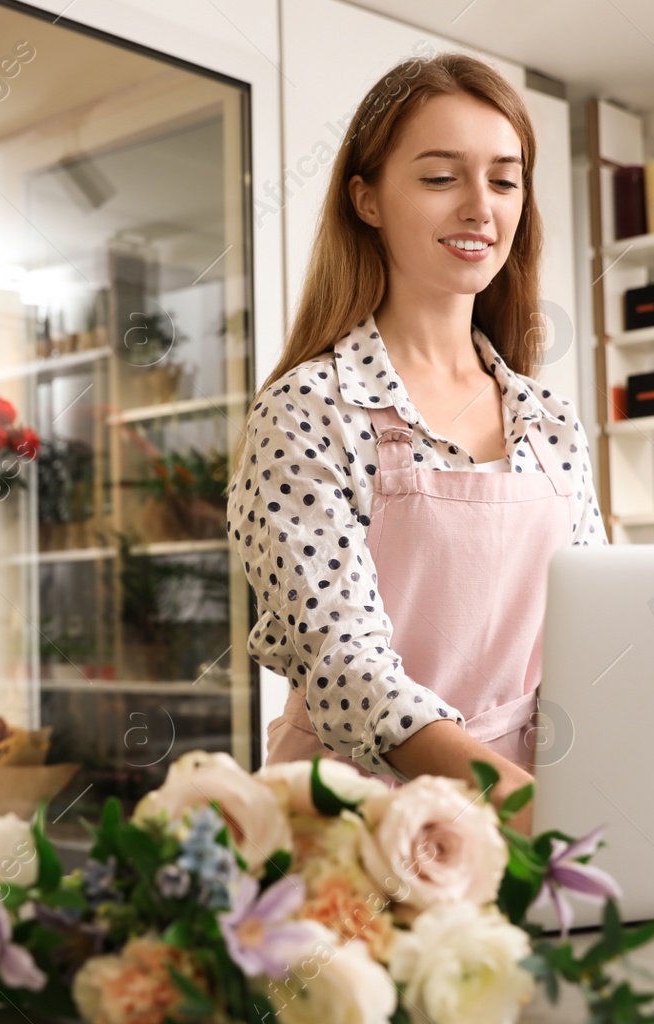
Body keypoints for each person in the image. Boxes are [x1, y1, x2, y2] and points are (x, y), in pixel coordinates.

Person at [227, 52, 607, 834]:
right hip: (351, 823)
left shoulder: (551, 423)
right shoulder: (307, 411)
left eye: (504, 180)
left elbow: (603, 632)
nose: (480, 208)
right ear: (366, 199)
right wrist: (526, 804)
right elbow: (346, 669)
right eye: (441, 178)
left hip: (531, 816)